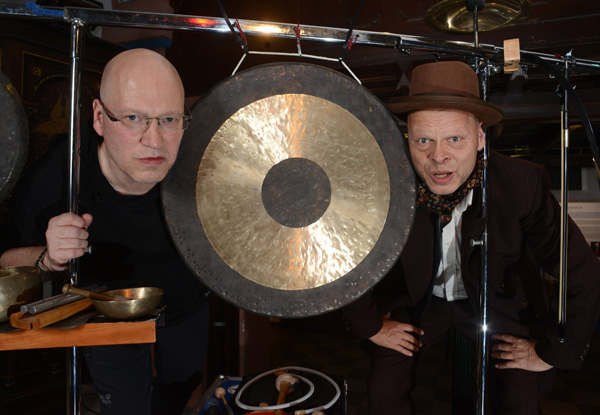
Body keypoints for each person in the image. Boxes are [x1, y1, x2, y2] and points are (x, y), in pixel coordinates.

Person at [341, 60, 600, 414]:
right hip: (421, 302)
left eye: (454, 139)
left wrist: (551, 351)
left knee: (520, 397)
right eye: (423, 141)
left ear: (479, 137)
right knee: (382, 388)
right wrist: (370, 325)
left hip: (497, 302)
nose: (438, 157)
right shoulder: (386, 184)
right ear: (408, 139)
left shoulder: (522, 183)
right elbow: (345, 258)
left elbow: (582, 270)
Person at [0, 48, 211, 415]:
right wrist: (47, 258)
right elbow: (4, 257)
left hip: (184, 301)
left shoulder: (199, 165)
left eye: (169, 119)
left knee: (182, 387)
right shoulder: (58, 179)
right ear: (99, 117)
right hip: (107, 314)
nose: (155, 140)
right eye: (133, 118)